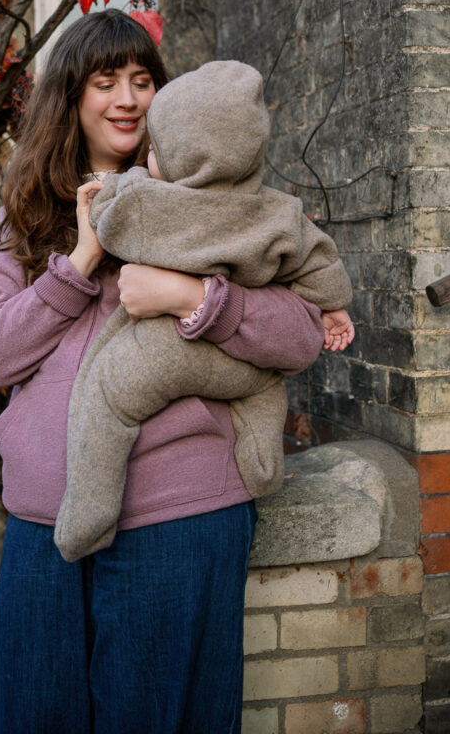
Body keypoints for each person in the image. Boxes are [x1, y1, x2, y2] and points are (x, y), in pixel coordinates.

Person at [0, 9, 328, 734]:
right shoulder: (28, 216)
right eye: (106, 82)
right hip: (44, 516)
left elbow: (298, 336)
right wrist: (82, 260)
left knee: (161, 718)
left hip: (181, 515)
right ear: (71, 96)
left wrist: (197, 297)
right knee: (33, 714)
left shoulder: (216, 203)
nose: (128, 98)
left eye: (142, 80)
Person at [54, 60, 354, 562]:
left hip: (169, 346)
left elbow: (112, 220)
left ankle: (89, 512)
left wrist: (108, 191)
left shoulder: (152, 203)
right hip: (248, 366)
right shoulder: (277, 212)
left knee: (107, 393)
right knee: (260, 390)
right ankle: (263, 465)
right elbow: (316, 256)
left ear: (174, 157)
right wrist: (333, 307)